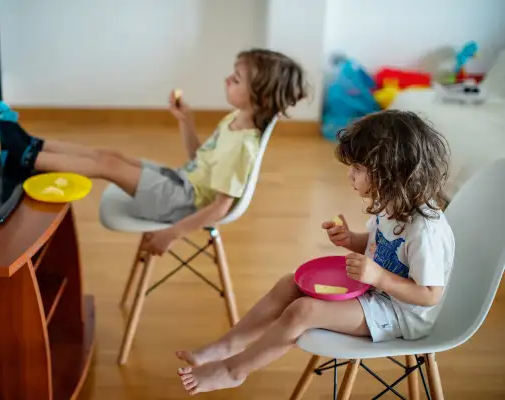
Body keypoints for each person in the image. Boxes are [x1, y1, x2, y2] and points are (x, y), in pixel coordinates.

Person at [176, 109, 455, 395]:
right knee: (289, 283)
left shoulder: (425, 229)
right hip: (375, 293)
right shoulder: (391, 203)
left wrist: (380, 278)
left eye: (358, 169)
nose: (350, 175)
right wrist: (351, 240)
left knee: (303, 311)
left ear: (391, 173)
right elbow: (380, 245)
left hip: (401, 314)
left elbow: (430, 294)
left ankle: (234, 370)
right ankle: (227, 346)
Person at [0, 48, 308, 255]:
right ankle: (35, 146)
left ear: (260, 97)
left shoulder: (244, 147)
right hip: (180, 182)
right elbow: (198, 160)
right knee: (110, 156)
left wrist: (171, 234)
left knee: (108, 165)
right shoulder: (234, 121)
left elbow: (219, 207)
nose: (228, 79)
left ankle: (27, 160)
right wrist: (186, 121)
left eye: (236, 79)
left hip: (180, 203)